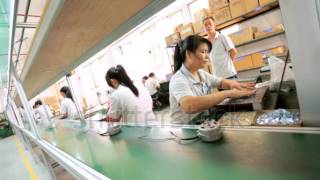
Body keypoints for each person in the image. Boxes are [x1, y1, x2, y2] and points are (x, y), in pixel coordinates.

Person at [169, 35, 256, 124]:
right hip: (184, 130)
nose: (207, 56)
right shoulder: (178, 79)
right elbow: (189, 105)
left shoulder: (201, 73)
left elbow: (221, 82)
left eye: (207, 52)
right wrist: (227, 93)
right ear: (189, 54)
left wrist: (234, 84)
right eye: (203, 52)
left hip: (202, 123)